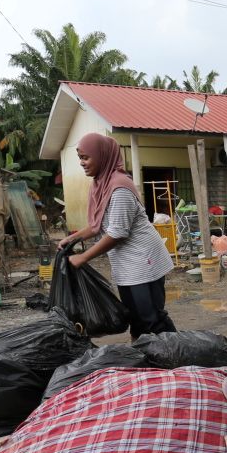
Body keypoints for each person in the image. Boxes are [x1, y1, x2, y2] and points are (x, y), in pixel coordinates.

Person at [58, 133, 176, 339]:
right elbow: (98, 225)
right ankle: (146, 358)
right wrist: (74, 238)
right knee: (136, 318)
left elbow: (117, 233)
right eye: (80, 158)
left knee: (151, 318)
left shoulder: (119, 187)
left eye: (86, 157)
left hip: (143, 260)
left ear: (101, 156)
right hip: (126, 263)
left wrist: (83, 257)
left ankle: (178, 356)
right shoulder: (100, 184)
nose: (82, 163)